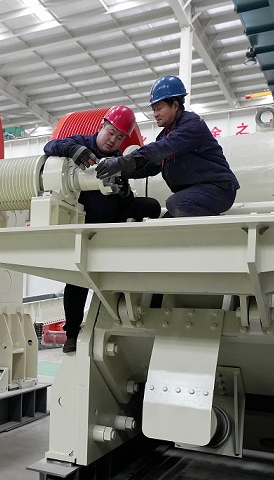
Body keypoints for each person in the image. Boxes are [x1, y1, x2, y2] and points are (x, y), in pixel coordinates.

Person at [43, 105, 161, 353]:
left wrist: (125, 193)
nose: (113, 140)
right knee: (77, 281)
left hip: (110, 220)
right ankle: (72, 335)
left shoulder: (118, 160)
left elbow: (123, 197)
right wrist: (73, 150)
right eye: (111, 132)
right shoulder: (81, 144)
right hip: (84, 222)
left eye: (119, 137)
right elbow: (50, 147)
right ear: (102, 126)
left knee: (150, 206)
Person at [96, 76, 239, 218]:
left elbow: (161, 149)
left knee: (176, 204)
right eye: (153, 110)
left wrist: (121, 162)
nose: (155, 114)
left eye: (159, 108)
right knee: (164, 224)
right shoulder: (165, 134)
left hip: (218, 189)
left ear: (175, 105)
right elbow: (152, 167)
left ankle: (221, 225)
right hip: (193, 193)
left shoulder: (192, 125)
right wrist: (122, 172)